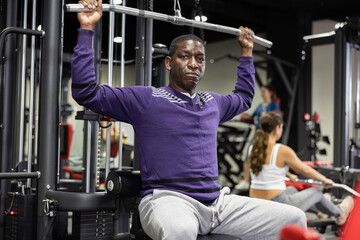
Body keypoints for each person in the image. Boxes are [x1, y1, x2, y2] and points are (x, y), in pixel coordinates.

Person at [71, 1, 306, 239]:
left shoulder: (212, 102)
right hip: (168, 200)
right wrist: (86, 28)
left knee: (295, 219)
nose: (193, 63)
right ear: (169, 63)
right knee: (180, 231)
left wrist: (246, 52)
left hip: (217, 204)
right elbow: (87, 92)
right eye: (185, 56)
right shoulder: (147, 99)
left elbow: (244, 98)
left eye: (200, 58)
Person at [249, 112, 354, 225]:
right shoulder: (282, 150)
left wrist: (288, 175)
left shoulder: (253, 148)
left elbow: (267, 170)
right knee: (316, 193)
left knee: (292, 190)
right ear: (277, 128)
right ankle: (340, 212)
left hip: (256, 201)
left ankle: (322, 210)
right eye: (282, 127)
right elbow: (305, 170)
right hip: (277, 203)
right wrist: (324, 180)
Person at [235, 84, 280, 191]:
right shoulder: (260, 105)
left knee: (265, 157)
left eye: (264, 91)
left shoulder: (274, 105)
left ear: (270, 92)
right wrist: (244, 115)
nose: (262, 93)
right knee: (248, 155)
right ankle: (245, 180)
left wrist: (268, 114)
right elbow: (251, 117)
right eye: (261, 91)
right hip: (257, 133)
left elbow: (278, 117)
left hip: (268, 134)